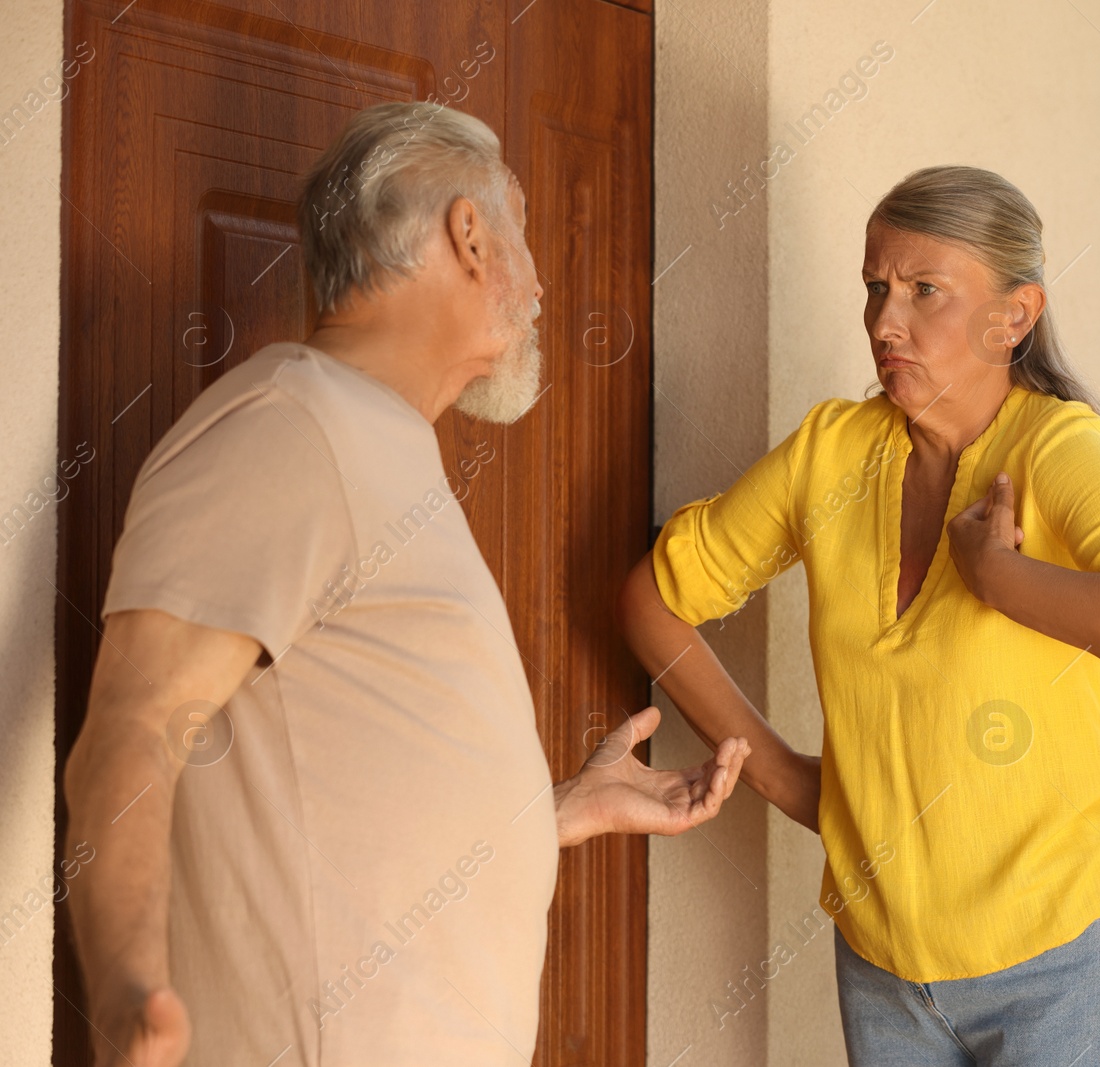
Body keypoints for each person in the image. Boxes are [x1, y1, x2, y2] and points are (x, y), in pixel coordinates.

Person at [63, 101, 750, 1067]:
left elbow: (342, 787)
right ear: (469, 236)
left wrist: (556, 808)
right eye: (520, 226)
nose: (545, 283)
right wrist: (135, 998)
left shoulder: (372, 442)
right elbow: (135, 723)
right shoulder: (291, 425)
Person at [619, 165, 1100, 1066]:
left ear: (1014, 316)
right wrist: (778, 776)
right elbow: (652, 598)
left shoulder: (1054, 449)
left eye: (926, 291)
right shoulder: (830, 453)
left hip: (1067, 960)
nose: (887, 321)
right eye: (877, 287)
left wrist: (1001, 579)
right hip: (886, 975)